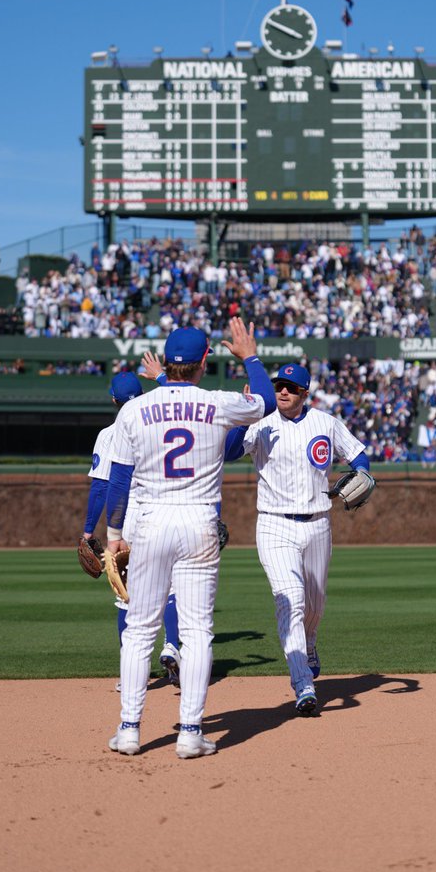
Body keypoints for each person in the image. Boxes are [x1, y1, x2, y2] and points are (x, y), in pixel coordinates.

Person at [104, 317, 276, 759]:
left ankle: (128, 729)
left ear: (164, 362)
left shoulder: (133, 409)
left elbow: (119, 480)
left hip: (150, 521)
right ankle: (190, 733)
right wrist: (249, 356)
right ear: (203, 363)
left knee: (140, 629)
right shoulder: (216, 402)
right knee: (198, 632)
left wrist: (113, 536)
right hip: (199, 520)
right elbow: (268, 402)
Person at [225, 362, 370, 716]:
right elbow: (228, 453)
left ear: (305, 393)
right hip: (274, 525)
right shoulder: (260, 423)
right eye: (279, 385)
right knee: (290, 601)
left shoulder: (325, 423)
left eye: (291, 387)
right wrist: (242, 417)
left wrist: (364, 473)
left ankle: (309, 643)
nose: (283, 391)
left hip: (318, 523)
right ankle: (303, 685)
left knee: (315, 605)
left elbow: (358, 454)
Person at [82, 370, 181, 689]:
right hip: (169, 512)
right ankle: (172, 646)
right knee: (172, 589)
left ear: (113, 400)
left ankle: (131, 672)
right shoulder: (164, 426)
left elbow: (101, 488)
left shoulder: (110, 434)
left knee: (127, 596)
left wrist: (87, 532)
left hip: (130, 519)